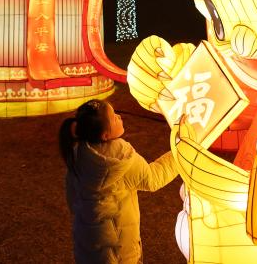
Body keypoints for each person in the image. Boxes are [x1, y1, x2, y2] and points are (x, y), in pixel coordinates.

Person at [60, 99, 178, 264]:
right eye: (114, 117)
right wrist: (181, 151)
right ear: (105, 135)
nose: (119, 117)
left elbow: (72, 201)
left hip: (88, 247)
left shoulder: (77, 154)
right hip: (121, 251)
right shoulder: (121, 157)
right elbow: (153, 179)